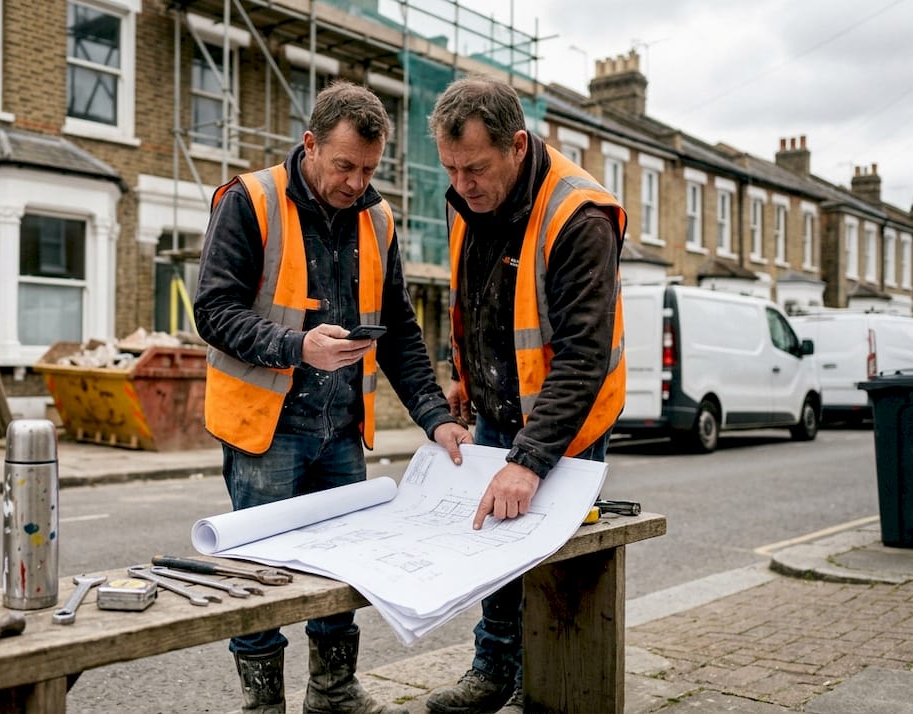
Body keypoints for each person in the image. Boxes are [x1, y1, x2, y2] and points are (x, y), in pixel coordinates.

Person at [194, 79, 472, 714]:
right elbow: (213, 311)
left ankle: (333, 692)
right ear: (310, 144)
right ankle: (264, 705)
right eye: (345, 165)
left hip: (342, 429)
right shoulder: (249, 200)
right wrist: (297, 346)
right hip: (266, 430)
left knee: (343, 570)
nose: (356, 182)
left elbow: (399, 330)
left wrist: (435, 418)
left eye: (369, 169)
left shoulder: (377, 218)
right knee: (259, 576)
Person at [423, 76, 627, 714]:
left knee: (557, 565)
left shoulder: (579, 216)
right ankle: (494, 670)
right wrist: (466, 374)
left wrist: (530, 459)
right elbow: (479, 301)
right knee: (494, 553)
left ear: (516, 145)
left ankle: (554, 686)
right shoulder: (471, 199)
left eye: (476, 168)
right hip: (496, 410)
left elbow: (584, 355)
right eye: (451, 169)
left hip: (566, 427)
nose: (462, 184)